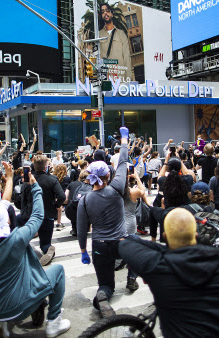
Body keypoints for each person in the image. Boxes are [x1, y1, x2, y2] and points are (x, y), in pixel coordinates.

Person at [119, 207, 219, 337]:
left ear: (165, 237)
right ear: (196, 236)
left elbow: (126, 245)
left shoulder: (157, 265)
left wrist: (167, 249)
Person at [0, 173, 71, 338]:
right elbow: (38, 216)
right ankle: (54, 321)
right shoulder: (17, 238)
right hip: (21, 305)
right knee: (58, 271)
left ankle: (0, 324)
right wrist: (35, 188)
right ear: (6, 221)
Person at [77, 127, 129, 318]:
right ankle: (132, 278)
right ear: (108, 175)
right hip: (121, 242)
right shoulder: (116, 188)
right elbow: (123, 160)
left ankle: (102, 297)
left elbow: (82, 229)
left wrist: (83, 251)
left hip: (99, 245)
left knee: (106, 284)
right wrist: (124, 139)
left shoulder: (85, 199)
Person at [19, 155, 66, 266]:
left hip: (31, 215)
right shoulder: (52, 179)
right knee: (45, 243)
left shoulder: (28, 181)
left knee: (25, 237)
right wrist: (55, 205)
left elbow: (22, 199)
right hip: (47, 214)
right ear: (46, 167)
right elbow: (62, 196)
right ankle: (47, 249)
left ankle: (26, 251)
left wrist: (24, 211)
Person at [98, 3, 132, 82]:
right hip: (106, 80)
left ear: (112, 14)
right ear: (101, 16)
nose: (105, 13)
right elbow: (97, 59)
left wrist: (128, 80)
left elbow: (127, 58)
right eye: (102, 12)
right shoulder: (99, 35)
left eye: (107, 11)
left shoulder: (121, 34)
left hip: (121, 79)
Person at [52, 163, 71, 230]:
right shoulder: (67, 178)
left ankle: (58, 222)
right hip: (64, 196)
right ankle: (59, 222)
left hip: (54, 196)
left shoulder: (53, 178)